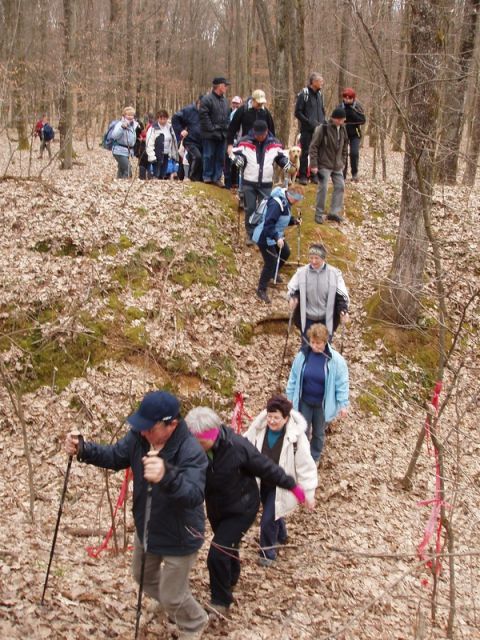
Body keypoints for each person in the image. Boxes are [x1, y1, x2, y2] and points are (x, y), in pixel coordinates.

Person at [64, 391, 209, 640]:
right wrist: (83, 449)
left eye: (150, 428)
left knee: (174, 595)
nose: (143, 432)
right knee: (143, 576)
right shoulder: (138, 438)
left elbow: (194, 494)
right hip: (147, 525)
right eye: (141, 426)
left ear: (172, 424)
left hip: (180, 534)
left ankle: (194, 621)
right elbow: (114, 456)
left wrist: (167, 475)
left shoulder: (191, 450)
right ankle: (171, 600)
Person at [184, 407, 309, 614]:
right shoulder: (194, 448)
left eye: (199, 441)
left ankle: (220, 601)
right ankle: (231, 579)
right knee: (228, 547)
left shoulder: (238, 447)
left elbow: (266, 468)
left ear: (212, 434)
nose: (194, 445)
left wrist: (293, 486)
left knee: (217, 553)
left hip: (242, 508)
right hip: (217, 508)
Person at [244, 395, 317, 565]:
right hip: (261, 482)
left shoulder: (295, 438)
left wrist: (309, 493)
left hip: (282, 485)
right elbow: (243, 445)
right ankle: (282, 534)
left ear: (286, 418)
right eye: (269, 416)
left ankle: (266, 554)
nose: (272, 421)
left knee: (268, 519)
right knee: (275, 511)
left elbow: (306, 466)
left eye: (276, 418)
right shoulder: (259, 429)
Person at [286, 323, 349, 465]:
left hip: (322, 404)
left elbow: (342, 382)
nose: (315, 346)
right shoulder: (303, 355)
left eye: (319, 343)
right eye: (313, 342)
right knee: (302, 429)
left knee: (319, 433)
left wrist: (343, 404)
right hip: (305, 401)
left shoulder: (335, 360)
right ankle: (301, 454)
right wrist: (289, 397)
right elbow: (293, 377)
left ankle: (314, 457)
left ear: (325, 341)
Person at [230, 119, 290, 246]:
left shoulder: (274, 143)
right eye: (257, 134)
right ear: (253, 131)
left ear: (267, 131)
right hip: (249, 181)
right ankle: (251, 234)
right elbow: (233, 154)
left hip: (266, 182)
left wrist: (285, 163)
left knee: (264, 210)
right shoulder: (244, 142)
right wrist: (237, 159)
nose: (260, 137)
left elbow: (280, 157)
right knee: (250, 208)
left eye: (262, 135)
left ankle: (263, 234)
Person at [252, 183, 303, 304]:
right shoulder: (276, 204)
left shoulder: (287, 202)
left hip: (276, 236)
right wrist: (276, 238)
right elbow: (268, 224)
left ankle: (273, 273)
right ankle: (261, 289)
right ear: (290, 195)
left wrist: (294, 221)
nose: (297, 202)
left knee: (285, 252)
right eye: (296, 199)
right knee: (271, 261)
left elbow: (283, 218)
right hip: (265, 236)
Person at [287, 243, 349, 340]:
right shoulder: (302, 273)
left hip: (326, 320)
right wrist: (293, 298)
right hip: (307, 319)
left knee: (324, 348)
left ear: (323, 258)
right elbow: (295, 290)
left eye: (316, 258)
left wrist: (343, 310)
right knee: (306, 347)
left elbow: (340, 296)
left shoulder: (334, 274)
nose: (313, 261)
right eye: (311, 258)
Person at [309, 107, 349, 223]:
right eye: (339, 119)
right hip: (324, 164)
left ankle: (334, 212)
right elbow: (313, 147)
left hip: (337, 165)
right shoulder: (323, 128)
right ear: (333, 118)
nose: (341, 121)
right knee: (323, 187)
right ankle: (318, 213)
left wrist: (343, 161)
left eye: (343, 119)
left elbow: (345, 147)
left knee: (340, 186)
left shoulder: (343, 130)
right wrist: (314, 165)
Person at [294, 72, 326, 185]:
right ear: (313, 82)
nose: (322, 83)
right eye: (320, 81)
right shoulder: (304, 94)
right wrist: (308, 122)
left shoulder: (320, 95)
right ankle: (303, 175)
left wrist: (324, 123)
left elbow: (322, 110)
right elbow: (297, 112)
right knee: (305, 151)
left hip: (319, 129)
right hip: (307, 129)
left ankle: (314, 175)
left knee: (317, 152)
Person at [199, 77, 230, 186]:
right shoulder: (206, 99)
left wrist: (226, 128)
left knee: (220, 157)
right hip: (210, 134)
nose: (226, 87)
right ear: (219, 86)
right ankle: (207, 176)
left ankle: (217, 177)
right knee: (209, 155)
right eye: (225, 85)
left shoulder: (226, 101)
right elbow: (203, 116)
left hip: (222, 134)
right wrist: (212, 128)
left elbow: (227, 116)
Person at [226, 89, 275, 157]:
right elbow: (232, 128)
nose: (260, 105)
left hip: (262, 146)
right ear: (253, 100)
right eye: (258, 103)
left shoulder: (265, 112)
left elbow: (271, 130)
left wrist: (272, 145)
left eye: (262, 103)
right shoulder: (243, 110)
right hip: (245, 145)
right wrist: (230, 145)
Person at [338, 88, 366, 182]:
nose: (347, 99)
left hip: (355, 134)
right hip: (343, 133)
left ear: (353, 98)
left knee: (354, 153)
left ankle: (354, 173)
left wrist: (352, 113)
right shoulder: (340, 106)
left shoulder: (357, 106)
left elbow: (362, 120)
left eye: (349, 97)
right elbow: (334, 119)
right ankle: (342, 174)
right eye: (345, 97)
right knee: (343, 154)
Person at [172, 97, 203, 182]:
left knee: (201, 160)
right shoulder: (188, 110)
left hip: (202, 141)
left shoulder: (207, 112)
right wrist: (181, 130)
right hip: (190, 141)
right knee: (197, 157)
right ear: (198, 103)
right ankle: (192, 178)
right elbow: (175, 118)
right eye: (202, 105)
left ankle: (199, 180)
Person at [145, 110, 179, 180]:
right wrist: (151, 156)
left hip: (166, 154)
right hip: (156, 155)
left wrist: (174, 154)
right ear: (158, 118)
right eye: (161, 118)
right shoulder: (153, 128)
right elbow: (149, 143)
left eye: (165, 119)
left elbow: (173, 142)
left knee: (163, 174)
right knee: (155, 175)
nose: (163, 121)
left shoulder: (170, 128)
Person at [110, 106, 137, 179]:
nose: (130, 117)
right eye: (128, 115)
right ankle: (124, 186)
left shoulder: (133, 125)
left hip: (127, 151)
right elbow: (114, 136)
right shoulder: (120, 124)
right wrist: (122, 128)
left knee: (122, 169)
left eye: (132, 115)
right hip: (119, 151)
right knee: (128, 170)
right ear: (124, 115)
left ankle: (118, 184)